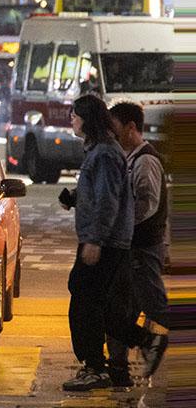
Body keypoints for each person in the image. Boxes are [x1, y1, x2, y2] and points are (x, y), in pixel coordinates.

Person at [59, 95, 166, 391]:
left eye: (75, 115)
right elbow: (100, 193)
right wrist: (75, 199)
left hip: (104, 241)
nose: (71, 119)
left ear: (87, 119)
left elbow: (109, 200)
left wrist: (95, 240)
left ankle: (95, 367)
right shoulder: (101, 150)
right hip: (108, 239)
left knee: (83, 299)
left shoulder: (105, 153)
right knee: (97, 303)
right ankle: (145, 340)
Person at [103, 101, 168, 387]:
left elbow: (148, 203)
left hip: (142, 246)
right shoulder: (129, 157)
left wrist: (123, 226)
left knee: (152, 304)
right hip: (131, 247)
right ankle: (118, 368)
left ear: (131, 127)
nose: (113, 135)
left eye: (116, 129)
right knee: (120, 307)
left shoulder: (145, 160)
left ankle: (149, 344)